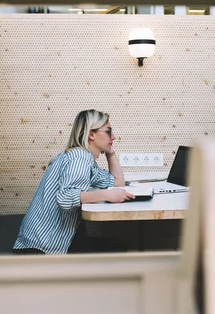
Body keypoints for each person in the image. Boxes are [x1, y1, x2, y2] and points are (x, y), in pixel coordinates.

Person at [13, 109, 135, 254]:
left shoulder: (86, 161)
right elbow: (64, 199)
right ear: (91, 134)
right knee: (116, 247)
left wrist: (110, 152)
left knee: (116, 245)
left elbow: (117, 182)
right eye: (108, 132)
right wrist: (107, 195)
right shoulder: (79, 158)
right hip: (40, 248)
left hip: (53, 241)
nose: (113, 137)